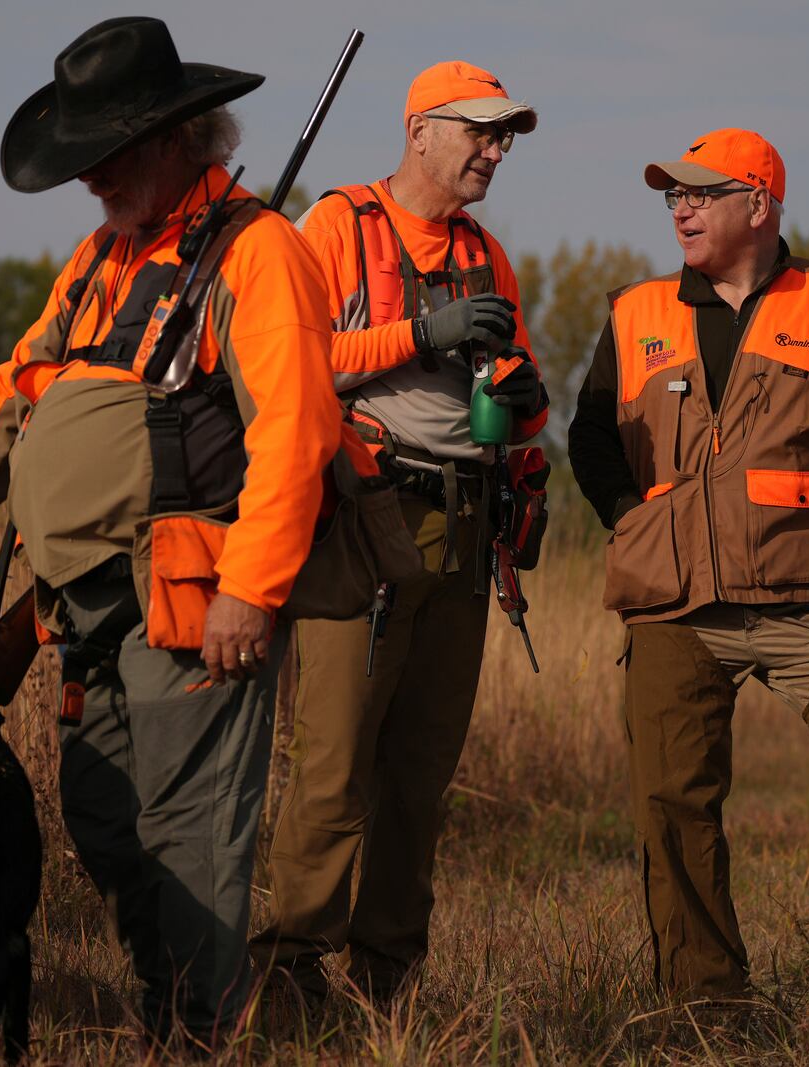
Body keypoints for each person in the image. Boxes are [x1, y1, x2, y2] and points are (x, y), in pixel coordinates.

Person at [0, 16, 343, 1047]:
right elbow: (12, 393)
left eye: (106, 155)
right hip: (79, 608)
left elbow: (297, 433)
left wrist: (250, 591)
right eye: (79, 160)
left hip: (190, 599)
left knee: (191, 831)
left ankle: (199, 1031)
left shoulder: (260, 252)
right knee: (103, 814)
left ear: (177, 138)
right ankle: (168, 1001)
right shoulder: (100, 257)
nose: (88, 180)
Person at [567, 128, 809, 1008]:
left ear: (759, 204)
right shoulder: (636, 312)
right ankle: (706, 1003)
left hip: (805, 593)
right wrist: (633, 520)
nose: (681, 207)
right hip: (674, 600)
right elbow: (591, 436)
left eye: (701, 194)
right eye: (673, 195)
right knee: (671, 803)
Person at [251, 61, 548, 1003]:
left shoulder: (488, 254)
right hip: (364, 525)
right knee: (335, 764)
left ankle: (387, 976)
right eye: (482, 132)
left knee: (419, 775)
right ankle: (292, 968)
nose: (496, 152)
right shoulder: (336, 225)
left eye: (505, 137)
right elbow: (290, 360)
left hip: (465, 534)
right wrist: (423, 333)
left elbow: (514, 391)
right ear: (421, 130)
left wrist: (531, 404)